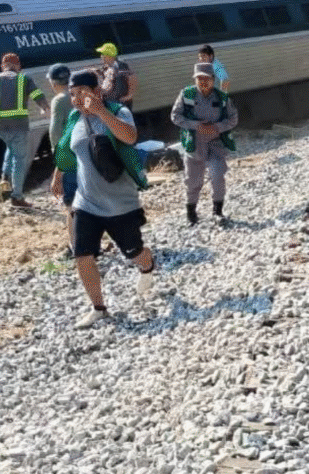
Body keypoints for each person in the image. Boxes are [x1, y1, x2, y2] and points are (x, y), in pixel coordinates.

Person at [51, 70, 154, 329]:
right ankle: (98, 308)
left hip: (121, 202)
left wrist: (100, 111)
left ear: (96, 92)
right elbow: (67, 149)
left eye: (81, 93)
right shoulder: (74, 118)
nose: (76, 99)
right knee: (82, 255)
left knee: (135, 253)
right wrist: (58, 175)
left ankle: (147, 266)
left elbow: (130, 137)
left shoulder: (118, 112)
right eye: (72, 94)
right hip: (86, 202)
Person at [170, 62, 239, 226]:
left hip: (216, 144)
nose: (203, 82)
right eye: (199, 78)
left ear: (213, 79)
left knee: (217, 177)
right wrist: (196, 125)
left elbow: (233, 118)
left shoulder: (222, 98)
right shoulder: (186, 94)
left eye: (206, 78)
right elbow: (175, 116)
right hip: (194, 144)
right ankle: (191, 213)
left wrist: (217, 127)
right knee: (193, 181)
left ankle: (217, 212)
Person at [0, 53, 48, 208]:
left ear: (2, 66)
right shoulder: (24, 78)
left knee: (10, 149)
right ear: (18, 66)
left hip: (1, 127)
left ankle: (5, 177)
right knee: (20, 160)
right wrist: (45, 107)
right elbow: (37, 94)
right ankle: (17, 197)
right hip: (19, 126)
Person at [46, 63, 76, 256]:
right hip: (87, 154)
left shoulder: (59, 100)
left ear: (53, 82)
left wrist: (58, 166)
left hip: (70, 158)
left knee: (72, 204)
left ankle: (76, 247)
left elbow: (56, 134)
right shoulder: (80, 95)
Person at [95, 43, 136, 110]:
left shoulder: (121, 66)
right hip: (111, 102)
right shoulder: (106, 67)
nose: (101, 56)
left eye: (103, 54)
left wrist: (129, 96)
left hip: (120, 103)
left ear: (109, 55)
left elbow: (132, 78)